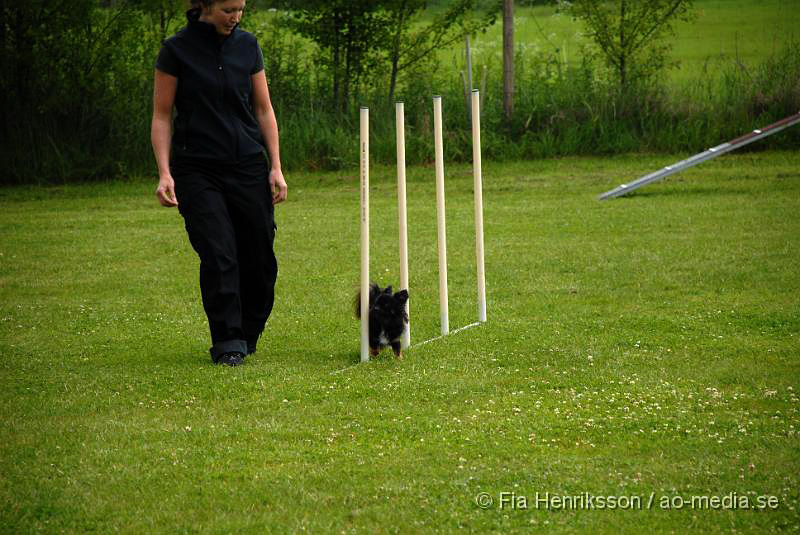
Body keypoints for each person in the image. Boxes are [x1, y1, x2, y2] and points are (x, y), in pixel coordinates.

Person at [151, 0, 287, 366]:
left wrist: (275, 166)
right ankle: (228, 341)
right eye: (229, 9)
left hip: (247, 165)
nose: (236, 16)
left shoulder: (248, 46)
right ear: (205, 6)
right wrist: (165, 172)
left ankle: (247, 331)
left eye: (241, 9)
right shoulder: (175, 50)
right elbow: (162, 115)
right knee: (219, 252)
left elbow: (263, 109)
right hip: (197, 170)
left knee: (260, 258)